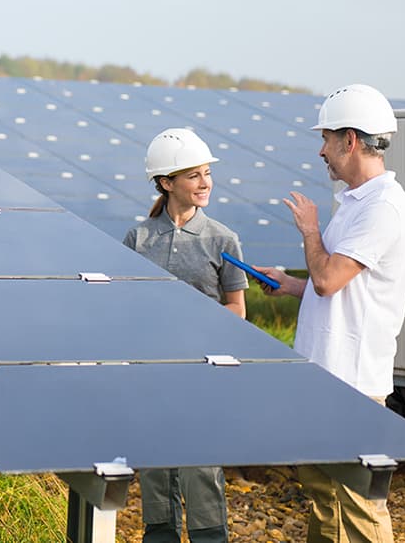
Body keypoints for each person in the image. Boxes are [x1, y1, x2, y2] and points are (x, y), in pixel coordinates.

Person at [256, 84, 405, 543]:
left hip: (353, 385)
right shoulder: (354, 203)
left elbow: (329, 278)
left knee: (360, 509)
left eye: (326, 139)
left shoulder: (383, 208)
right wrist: (291, 286)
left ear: (349, 140)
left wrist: (309, 231)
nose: (321, 150)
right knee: (325, 502)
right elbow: (340, 289)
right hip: (325, 377)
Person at [123, 127, 248, 543]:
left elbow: (237, 311)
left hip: (203, 374)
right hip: (153, 374)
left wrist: (194, 333)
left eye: (207, 173)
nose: (205, 182)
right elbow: (126, 311)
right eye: (194, 175)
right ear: (166, 182)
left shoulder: (222, 239)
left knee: (201, 470)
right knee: (157, 472)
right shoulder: (137, 240)